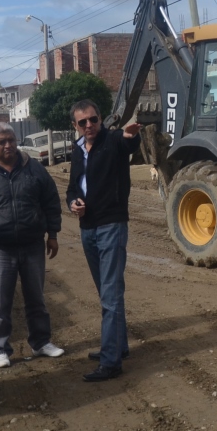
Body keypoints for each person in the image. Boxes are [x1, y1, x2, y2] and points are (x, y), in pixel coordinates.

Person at [0, 123, 64, 369]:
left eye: (11, 140)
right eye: (1, 142)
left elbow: (50, 200)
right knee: (0, 303)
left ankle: (41, 342)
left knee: (36, 298)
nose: (8, 145)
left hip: (32, 245)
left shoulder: (33, 168)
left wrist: (52, 234)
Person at [66, 100, 141, 382]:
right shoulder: (77, 150)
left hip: (111, 225)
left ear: (100, 119)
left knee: (110, 294)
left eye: (93, 119)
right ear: (75, 126)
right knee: (106, 292)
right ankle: (118, 347)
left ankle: (110, 362)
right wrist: (73, 202)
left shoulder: (112, 141)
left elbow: (127, 143)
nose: (89, 125)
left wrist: (131, 136)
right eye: (83, 122)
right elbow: (72, 187)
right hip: (87, 227)